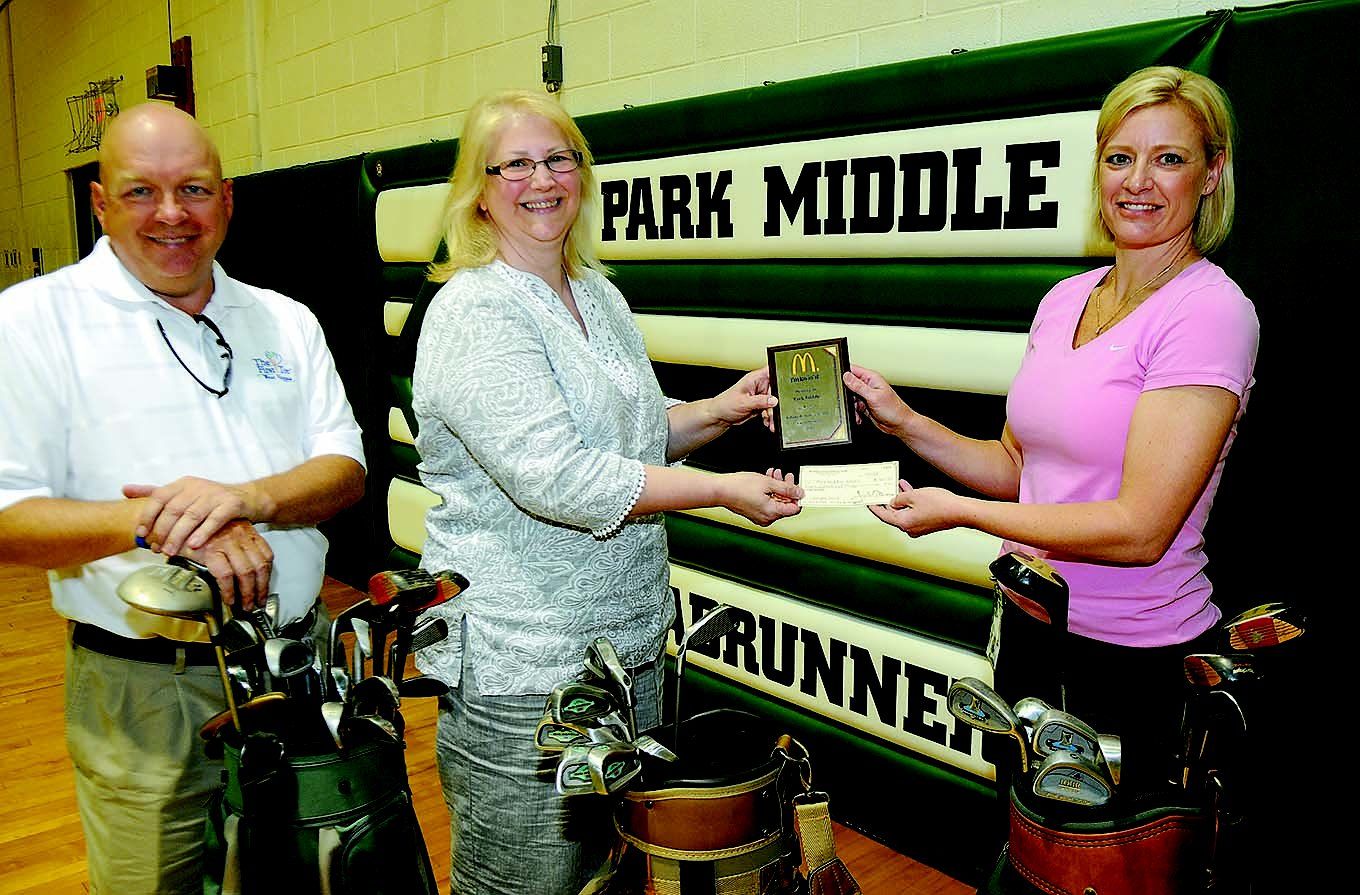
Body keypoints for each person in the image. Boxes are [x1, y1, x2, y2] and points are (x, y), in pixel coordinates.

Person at [410, 88, 801, 895]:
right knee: (529, 880)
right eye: (514, 164)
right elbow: (562, 477)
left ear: (582, 176)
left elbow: (632, 435)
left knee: (615, 874)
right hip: (527, 667)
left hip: (626, 652)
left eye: (558, 159)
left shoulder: (598, 296)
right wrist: (720, 491)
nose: (540, 179)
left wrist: (722, 412)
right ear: (478, 190)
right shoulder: (474, 310)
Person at [840, 66, 1257, 797]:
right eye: (1120, 157)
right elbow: (1018, 469)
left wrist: (960, 514)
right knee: (1025, 846)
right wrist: (906, 422)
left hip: (1131, 658)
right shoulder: (1066, 297)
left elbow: (1140, 528)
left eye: (1170, 159)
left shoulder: (1209, 313)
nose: (1139, 182)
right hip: (1029, 629)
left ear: (1212, 173)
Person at [0, 103, 366, 894]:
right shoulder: (33, 321)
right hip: (145, 690)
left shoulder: (285, 320)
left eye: (194, 189)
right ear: (99, 202)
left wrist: (243, 498)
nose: (172, 214)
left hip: (298, 672)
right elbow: (7, 518)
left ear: (228, 199)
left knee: (303, 879)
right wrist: (158, 519)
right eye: (141, 191)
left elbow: (344, 468)